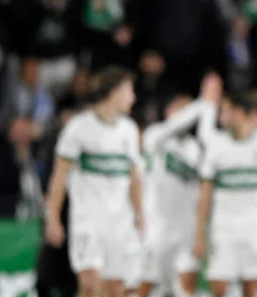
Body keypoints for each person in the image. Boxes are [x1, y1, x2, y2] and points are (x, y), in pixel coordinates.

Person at [43, 67, 144, 297]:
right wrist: (53, 218)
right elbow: (59, 176)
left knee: (117, 291)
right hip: (88, 223)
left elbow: (134, 178)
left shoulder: (128, 131)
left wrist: (140, 215)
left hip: (120, 224)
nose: (133, 97)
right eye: (129, 91)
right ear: (114, 92)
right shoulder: (79, 128)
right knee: (91, 287)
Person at [194, 91, 257, 297]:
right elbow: (205, 194)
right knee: (218, 288)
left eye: (225, 111)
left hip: (256, 229)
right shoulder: (215, 144)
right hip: (223, 229)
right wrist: (200, 234)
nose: (221, 117)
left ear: (241, 112)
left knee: (251, 290)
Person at [138, 74, 222, 297]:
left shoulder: (196, 150)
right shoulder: (155, 136)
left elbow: (208, 142)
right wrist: (203, 102)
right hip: (155, 229)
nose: (187, 116)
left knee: (186, 289)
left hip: (185, 231)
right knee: (143, 289)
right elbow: (174, 125)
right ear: (168, 112)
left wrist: (209, 107)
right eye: (181, 109)